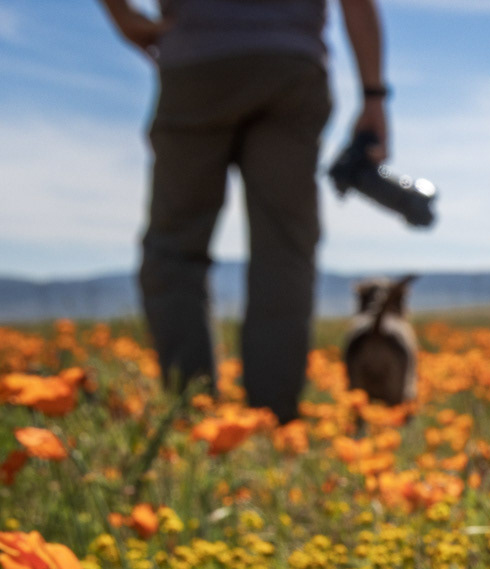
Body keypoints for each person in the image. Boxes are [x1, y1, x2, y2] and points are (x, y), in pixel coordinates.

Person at [96, 0, 390, 423]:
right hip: (289, 65)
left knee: (175, 248)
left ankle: (192, 414)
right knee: (284, 252)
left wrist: (123, 16)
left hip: (198, 60)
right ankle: (273, 420)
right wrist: (374, 94)